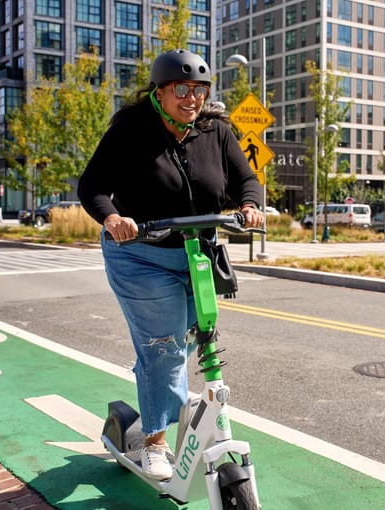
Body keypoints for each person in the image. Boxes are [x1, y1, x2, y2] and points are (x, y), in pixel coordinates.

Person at [77, 49, 264, 481]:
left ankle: (170, 406)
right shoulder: (131, 129)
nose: (192, 98)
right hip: (141, 256)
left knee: (188, 343)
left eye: (200, 90)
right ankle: (155, 443)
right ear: (158, 92)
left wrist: (250, 205)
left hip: (198, 254)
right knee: (164, 346)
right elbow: (93, 185)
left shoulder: (215, 130)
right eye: (182, 89)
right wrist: (113, 218)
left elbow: (246, 180)